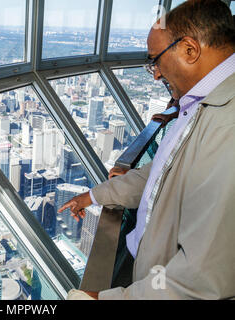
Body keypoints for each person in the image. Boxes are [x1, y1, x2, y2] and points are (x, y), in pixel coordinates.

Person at [60, 0, 235, 299]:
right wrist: (93, 196)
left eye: (156, 60)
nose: (155, 74)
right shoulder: (199, 105)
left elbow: (200, 278)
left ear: (190, 50)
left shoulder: (226, 125)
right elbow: (162, 173)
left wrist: (102, 299)